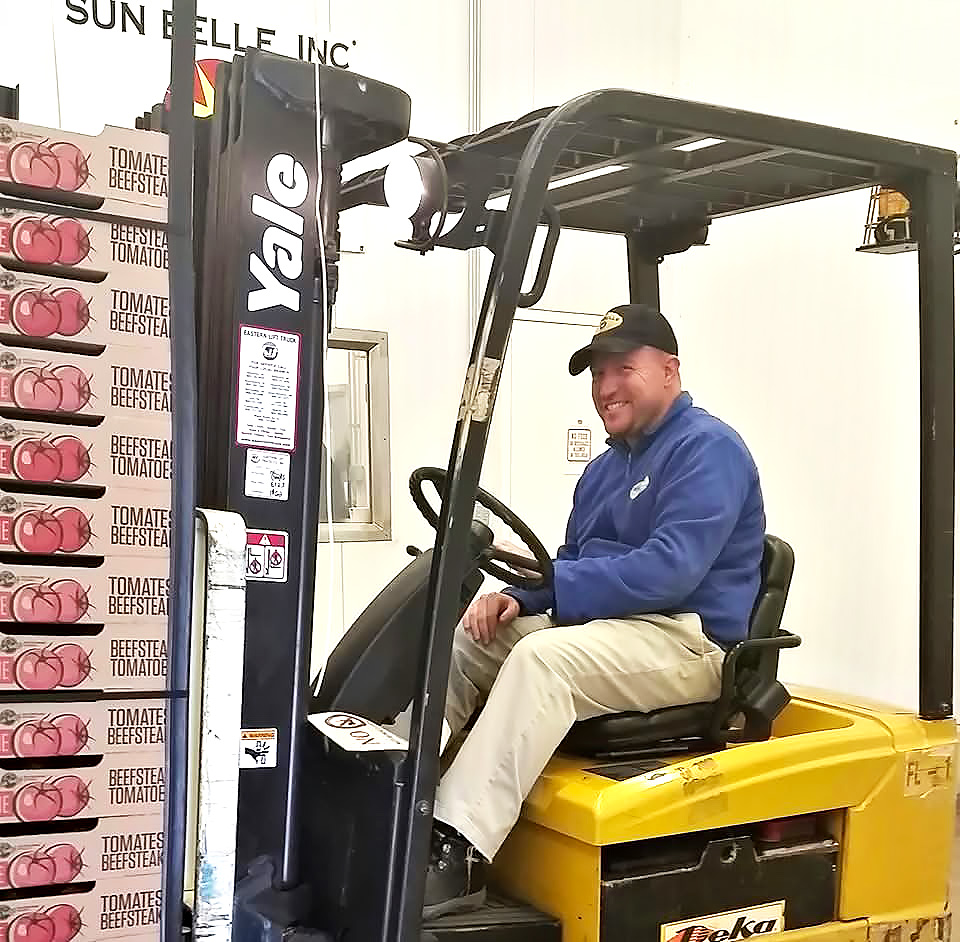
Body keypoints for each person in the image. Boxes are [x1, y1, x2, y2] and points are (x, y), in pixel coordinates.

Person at [422, 303, 766, 918]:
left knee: (543, 659)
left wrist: (552, 587)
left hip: (688, 640)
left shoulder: (707, 449)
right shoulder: (603, 470)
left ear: (669, 370)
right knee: (466, 638)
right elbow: (568, 564)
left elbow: (671, 570)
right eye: (596, 375)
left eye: (622, 370)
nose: (605, 388)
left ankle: (460, 849)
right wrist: (517, 595)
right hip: (615, 632)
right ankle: (399, 794)